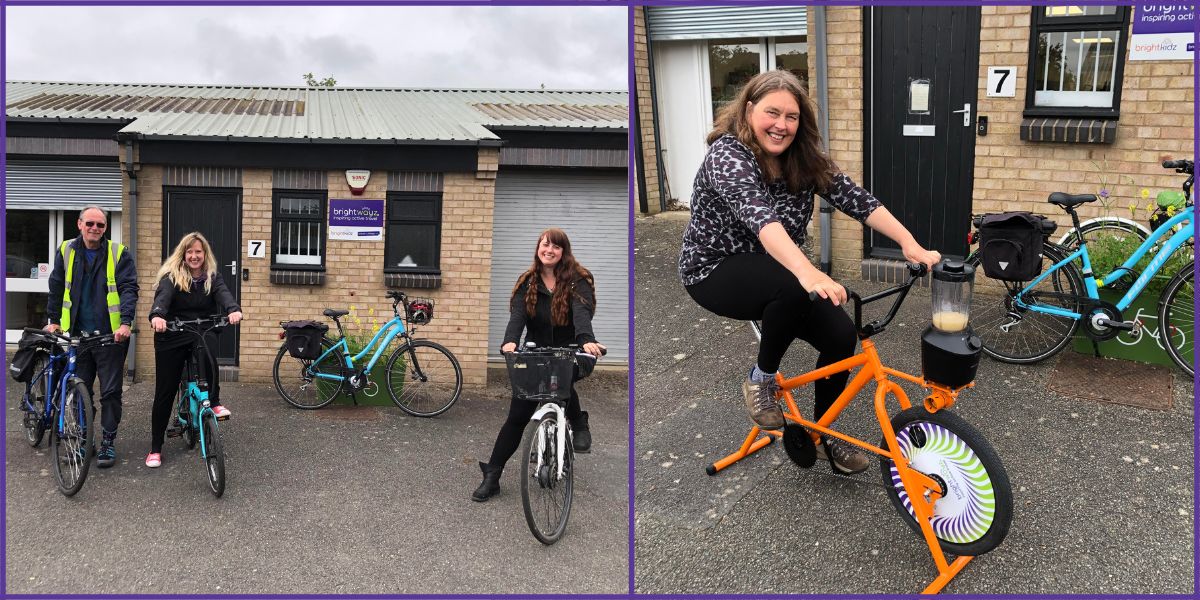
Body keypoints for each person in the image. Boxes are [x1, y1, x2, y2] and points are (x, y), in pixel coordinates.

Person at [678, 70, 940, 474]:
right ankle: (761, 380)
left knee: (841, 335)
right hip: (714, 268)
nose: (781, 125)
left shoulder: (803, 159)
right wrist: (808, 273)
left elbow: (855, 197)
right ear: (749, 110)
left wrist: (909, 243)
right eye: (772, 113)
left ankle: (823, 433)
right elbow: (761, 218)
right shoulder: (729, 155)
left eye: (792, 117)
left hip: (779, 271)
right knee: (794, 285)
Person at [472, 228, 606, 502]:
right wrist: (510, 341)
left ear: (563, 251)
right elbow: (518, 315)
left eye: (556, 247)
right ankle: (492, 475)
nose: (550, 250)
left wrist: (586, 341)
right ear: (538, 248)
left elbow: (582, 313)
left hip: (572, 351)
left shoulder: (577, 280)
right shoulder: (528, 282)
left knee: (563, 372)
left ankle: (578, 421)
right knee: (517, 417)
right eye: (545, 245)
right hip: (537, 354)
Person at [45, 205, 139, 469]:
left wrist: (125, 322)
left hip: (110, 337)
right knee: (79, 391)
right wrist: (53, 321)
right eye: (90, 224)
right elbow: (55, 285)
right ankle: (86, 441)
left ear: (105, 228)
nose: (95, 228)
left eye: (100, 225)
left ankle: (108, 442)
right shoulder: (66, 250)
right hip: (77, 337)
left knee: (110, 393)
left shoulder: (118, 253)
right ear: (79, 224)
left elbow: (129, 288)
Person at [145, 232, 242, 468]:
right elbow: (163, 298)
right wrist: (158, 315)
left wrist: (233, 309)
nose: (194, 256)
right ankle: (155, 447)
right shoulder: (172, 277)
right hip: (172, 334)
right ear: (183, 254)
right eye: (190, 252)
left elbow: (224, 295)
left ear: (205, 254)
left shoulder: (212, 277)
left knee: (209, 359)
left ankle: (214, 401)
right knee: (165, 391)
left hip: (199, 331)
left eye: (198, 251)